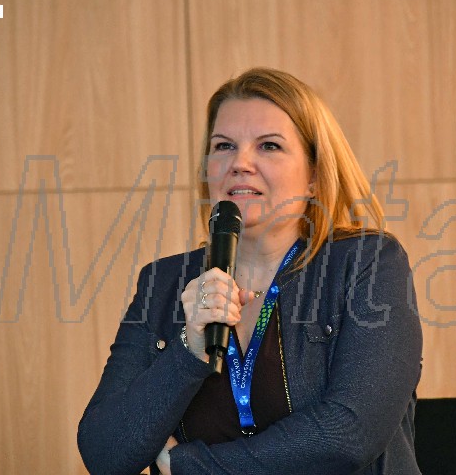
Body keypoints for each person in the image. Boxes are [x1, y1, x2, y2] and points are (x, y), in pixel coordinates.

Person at [77, 67, 423, 474]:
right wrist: (188, 349)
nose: (240, 163)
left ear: (314, 176)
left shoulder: (368, 263)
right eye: (223, 146)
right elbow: (105, 452)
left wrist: (186, 466)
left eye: (269, 146)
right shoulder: (164, 283)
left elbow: (347, 434)